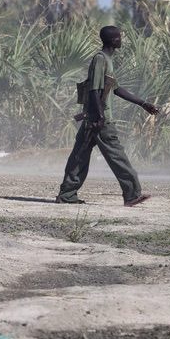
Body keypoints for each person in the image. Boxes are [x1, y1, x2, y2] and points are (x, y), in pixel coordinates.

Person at [56, 26, 159, 206]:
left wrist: (143, 103)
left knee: (79, 157)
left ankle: (66, 195)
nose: (121, 40)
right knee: (117, 156)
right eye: (119, 37)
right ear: (113, 40)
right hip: (99, 120)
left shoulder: (107, 61)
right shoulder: (100, 59)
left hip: (93, 118)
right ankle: (132, 194)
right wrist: (101, 116)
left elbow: (116, 89)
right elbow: (94, 90)